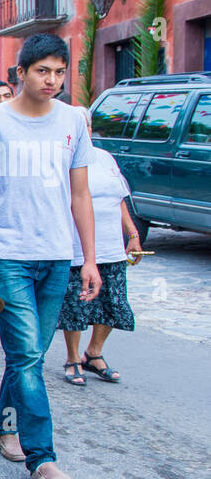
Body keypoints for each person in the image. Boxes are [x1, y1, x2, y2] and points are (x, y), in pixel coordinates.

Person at [0, 33, 99, 479]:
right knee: (26, 357)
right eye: (43, 71)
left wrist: (89, 259)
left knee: (29, 357)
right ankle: (42, 458)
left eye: (60, 72)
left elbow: (81, 193)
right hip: (6, 256)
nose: (53, 80)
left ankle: (4, 424)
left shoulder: (73, 122)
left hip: (57, 255)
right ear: (20, 73)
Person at [58, 108, 142, 385]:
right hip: (76, 246)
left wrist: (132, 233)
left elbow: (119, 198)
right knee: (76, 305)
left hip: (110, 244)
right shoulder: (61, 160)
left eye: (86, 125)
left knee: (113, 302)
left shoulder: (105, 158)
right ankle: (72, 358)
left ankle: (93, 354)